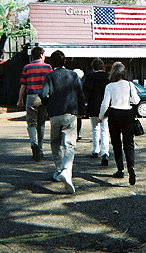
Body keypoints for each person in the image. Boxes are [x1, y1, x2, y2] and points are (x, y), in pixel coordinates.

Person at [40, 50, 86, 194]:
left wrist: (48, 102)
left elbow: (43, 94)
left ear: (51, 63)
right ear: (65, 61)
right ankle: (67, 170)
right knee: (70, 144)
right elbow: (80, 93)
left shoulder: (49, 76)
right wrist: (81, 110)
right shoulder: (73, 75)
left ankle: (58, 169)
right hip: (70, 112)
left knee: (55, 142)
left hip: (54, 113)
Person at [98, 62, 140, 185]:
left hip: (114, 114)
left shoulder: (110, 86)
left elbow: (105, 104)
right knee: (129, 143)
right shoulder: (129, 84)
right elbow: (136, 100)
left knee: (116, 143)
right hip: (127, 114)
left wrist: (100, 117)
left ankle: (120, 169)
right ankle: (131, 166)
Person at [17, 46, 52, 162]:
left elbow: (23, 85)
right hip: (44, 97)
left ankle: (34, 143)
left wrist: (20, 99)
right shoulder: (48, 67)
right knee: (41, 124)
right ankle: (40, 149)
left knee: (31, 123)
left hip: (31, 96)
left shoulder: (27, 68)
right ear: (41, 55)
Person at [82, 58, 110, 166]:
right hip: (104, 105)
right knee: (104, 130)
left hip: (93, 106)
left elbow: (85, 92)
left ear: (93, 67)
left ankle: (95, 150)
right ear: (102, 67)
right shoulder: (107, 77)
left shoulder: (89, 77)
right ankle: (105, 152)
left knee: (94, 129)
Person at [74, 68, 85, 141]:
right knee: (79, 119)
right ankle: (78, 133)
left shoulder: (70, 82)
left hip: (72, 102)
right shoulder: (82, 83)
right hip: (79, 102)